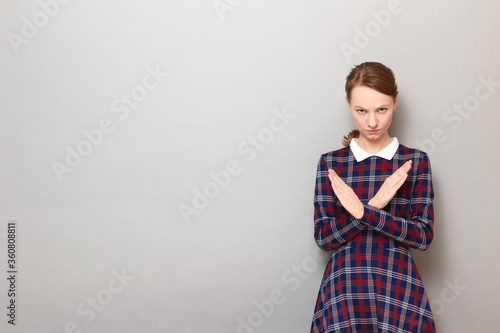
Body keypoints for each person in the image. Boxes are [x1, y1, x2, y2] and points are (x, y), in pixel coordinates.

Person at [310, 62, 436, 332]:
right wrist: (377, 204)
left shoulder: (414, 162)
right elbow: (324, 238)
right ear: (348, 105)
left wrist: (364, 212)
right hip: (343, 291)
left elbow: (423, 236)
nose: (372, 122)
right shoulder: (332, 164)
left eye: (382, 109)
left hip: (397, 288)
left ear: (395, 102)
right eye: (361, 111)